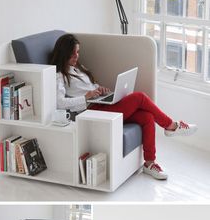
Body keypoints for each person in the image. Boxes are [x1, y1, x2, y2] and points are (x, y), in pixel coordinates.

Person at [50, 34, 197, 180]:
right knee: (139, 97)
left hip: (100, 103)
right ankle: (171, 125)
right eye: (73, 53)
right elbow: (60, 103)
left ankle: (149, 163)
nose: (77, 56)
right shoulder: (59, 76)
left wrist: (98, 89)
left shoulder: (77, 69)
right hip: (91, 112)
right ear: (64, 53)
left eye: (78, 52)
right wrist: (86, 97)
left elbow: (87, 87)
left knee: (147, 117)